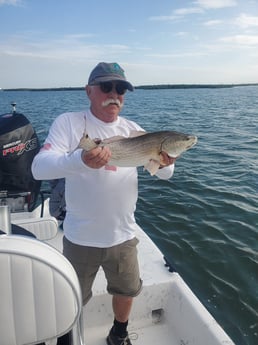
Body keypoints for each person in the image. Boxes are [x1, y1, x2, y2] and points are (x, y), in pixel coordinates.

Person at [32, 62, 175, 345]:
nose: (115, 94)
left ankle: (118, 334)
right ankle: (65, 337)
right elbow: (39, 168)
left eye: (121, 88)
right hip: (80, 236)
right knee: (72, 295)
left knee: (126, 290)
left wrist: (166, 158)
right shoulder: (69, 123)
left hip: (123, 234)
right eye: (106, 87)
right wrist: (80, 160)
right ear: (88, 91)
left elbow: (167, 173)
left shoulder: (134, 130)